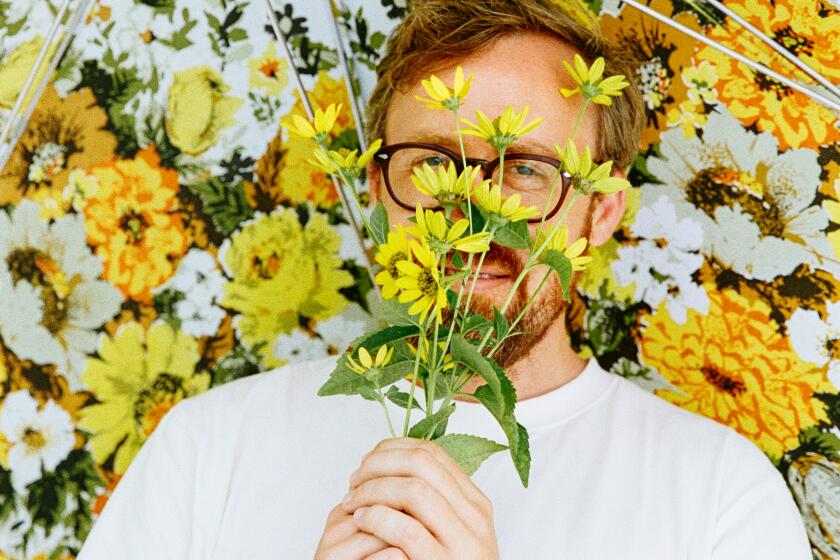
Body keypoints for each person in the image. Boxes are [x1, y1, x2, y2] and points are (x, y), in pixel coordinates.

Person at [79, 1, 812, 558]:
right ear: (375, 190)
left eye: (525, 168)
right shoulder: (207, 448)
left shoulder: (721, 496)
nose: (473, 213)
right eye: (432, 162)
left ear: (602, 211)